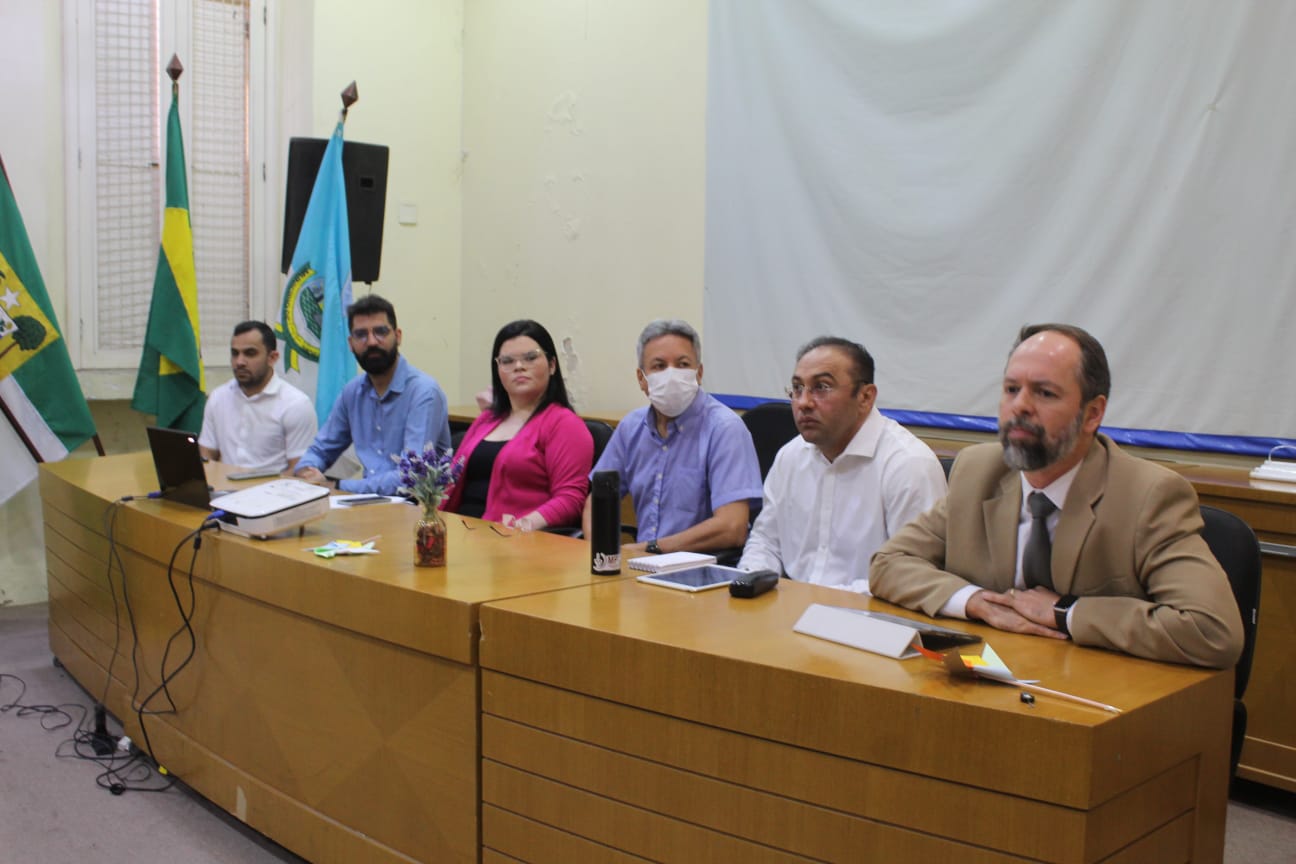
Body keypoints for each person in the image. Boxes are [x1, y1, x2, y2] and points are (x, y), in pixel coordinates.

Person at [870, 324, 1244, 669]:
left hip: (1097, 695)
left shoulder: (1148, 495)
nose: (1020, 406)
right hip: (989, 675)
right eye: (1011, 389)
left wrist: (1067, 612)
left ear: (1092, 413)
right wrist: (974, 601)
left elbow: (1212, 630)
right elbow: (889, 564)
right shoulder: (977, 470)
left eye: (1045, 393)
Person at [738, 336, 946, 591]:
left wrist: (817, 606)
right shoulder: (790, 456)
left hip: (872, 618)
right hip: (788, 610)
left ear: (865, 397)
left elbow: (915, 576)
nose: (803, 402)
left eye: (821, 387)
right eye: (797, 388)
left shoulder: (909, 465)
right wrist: (753, 582)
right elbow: (765, 541)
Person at [581, 319, 762, 555]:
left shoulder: (725, 429)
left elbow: (731, 527)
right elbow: (595, 503)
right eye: (659, 366)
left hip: (701, 572)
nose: (671, 375)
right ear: (641, 379)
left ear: (699, 373)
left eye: (682, 364)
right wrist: (601, 556)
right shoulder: (632, 427)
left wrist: (651, 549)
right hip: (639, 568)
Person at [442, 319, 593, 530]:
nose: (519, 367)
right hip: (458, 532)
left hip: (513, 540)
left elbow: (570, 499)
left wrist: (524, 525)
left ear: (552, 365)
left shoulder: (565, 424)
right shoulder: (486, 420)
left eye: (530, 358)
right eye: (507, 361)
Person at [294, 294, 451, 495]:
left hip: (419, 510)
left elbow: (412, 476)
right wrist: (308, 471)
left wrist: (337, 486)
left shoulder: (424, 392)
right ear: (350, 344)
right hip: (366, 504)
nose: (371, 342)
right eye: (361, 334)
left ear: (398, 336)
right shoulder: (352, 392)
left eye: (381, 332)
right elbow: (320, 450)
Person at [198, 321, 317, 473]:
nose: (239, 362)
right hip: (223, 491)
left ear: (272, 358)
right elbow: (207, 456)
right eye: (235, 353)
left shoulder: (296, 405)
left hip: (274, 493)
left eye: (250, 353)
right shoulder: (218, 397)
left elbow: (300, 470)